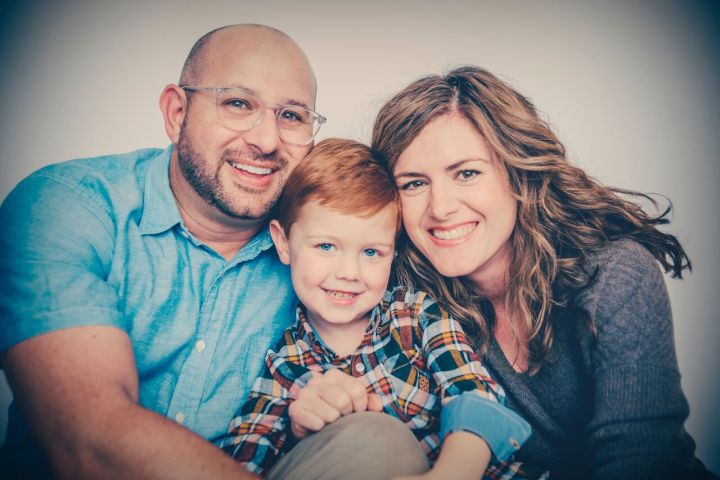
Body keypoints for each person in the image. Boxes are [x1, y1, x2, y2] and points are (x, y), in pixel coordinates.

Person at [0, 24, 412, 480]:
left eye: (292, 115)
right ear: (177, 112)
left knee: (376, 440)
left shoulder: (323, 246)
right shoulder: (69, 205)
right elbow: (90, 438)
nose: (267, 141)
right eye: (238, 103)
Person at [287, 66, 718, 479]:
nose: (441, 208)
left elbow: (638, 460)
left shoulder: (615, 275)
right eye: (414, 183)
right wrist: (317, 410)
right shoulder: (398, 294)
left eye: (467, 173)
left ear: (517, 174)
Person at [217, 138, 532, 479]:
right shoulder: (285, 365)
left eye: (371, 252)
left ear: (393, 253)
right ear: (283, 243)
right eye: (326, 246)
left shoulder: (416, 316)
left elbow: (475, 394)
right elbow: (243, 457)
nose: (349, 273)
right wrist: (297, 434)